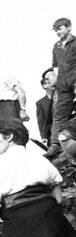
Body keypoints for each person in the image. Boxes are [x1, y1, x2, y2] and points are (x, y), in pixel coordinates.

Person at [51, 19, 76, 152]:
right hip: (63, 86)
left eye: (59, 28)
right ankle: (55, 144)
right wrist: (57, 78)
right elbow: (55, 65)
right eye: (56, 30)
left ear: (69, 28)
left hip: (75, 81)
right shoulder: (56, 46)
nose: (58, 32)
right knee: (59, 114)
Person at [38, 68, 57, 150]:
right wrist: (43, 136)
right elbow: (41, 121)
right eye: (47, 81)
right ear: (44, 85)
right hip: (51, 134)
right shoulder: (40, 103)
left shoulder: (62, 97)